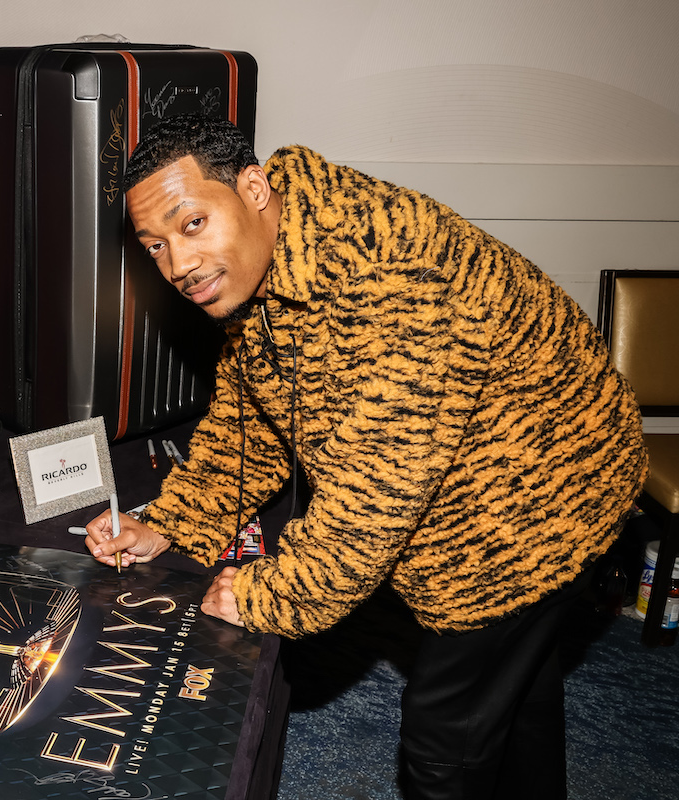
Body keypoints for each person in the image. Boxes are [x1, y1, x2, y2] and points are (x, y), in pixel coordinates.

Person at [82, 114, 647, 800]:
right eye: (155, 246)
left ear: (255, 189)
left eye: (191, 224)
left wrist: (267, 592)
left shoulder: (393, 278)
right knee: (517, 692)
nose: (178, 265)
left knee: (445, 748)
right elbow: (250, 420)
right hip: (497, 459)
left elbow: (369, 509)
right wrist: (171, 522)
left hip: (546, 490)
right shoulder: (270, 258)